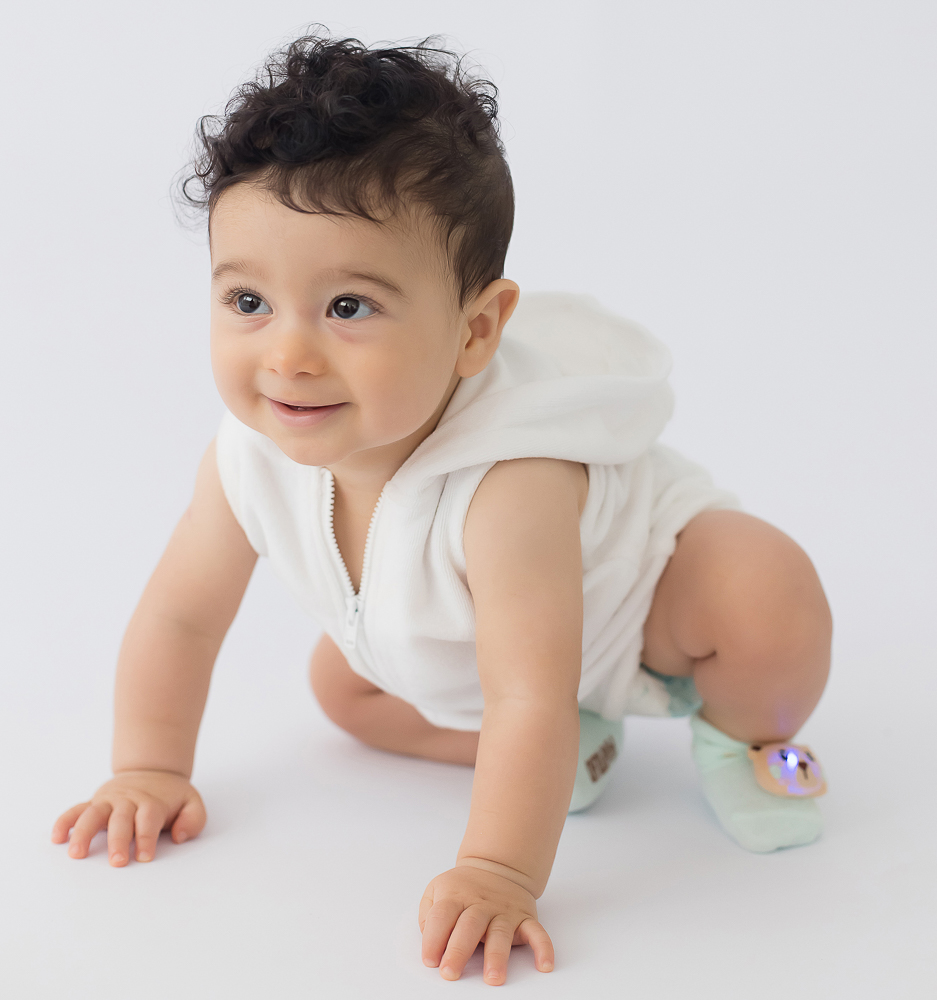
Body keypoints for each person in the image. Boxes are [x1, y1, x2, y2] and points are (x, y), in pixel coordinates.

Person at [51, 35, 832, 986]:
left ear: (476, 329)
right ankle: (577, 751)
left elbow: (527, 691)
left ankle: (742, 738)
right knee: (342, 690)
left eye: (348, 308)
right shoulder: (248, 456)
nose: (288, 355)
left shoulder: (508, 483)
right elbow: (181, 617)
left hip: (636, 624)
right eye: (248, 300)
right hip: (478, 667)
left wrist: (498, 869)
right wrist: (149, 767)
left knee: (763, 593)